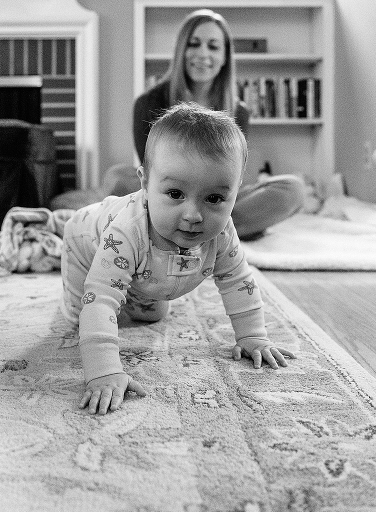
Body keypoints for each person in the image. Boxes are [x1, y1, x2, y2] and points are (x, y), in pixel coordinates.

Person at [60, 103, 296, 416]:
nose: (193, 215)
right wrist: (103, 372)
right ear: (145, 182)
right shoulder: (126, 232)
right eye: (175, 194)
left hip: (148, 271)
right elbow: (100, 300)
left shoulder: (222, 232)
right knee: (82, 318)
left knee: (151, 314)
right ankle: (58, 222)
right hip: (85, 244)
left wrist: (252, 336)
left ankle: (134, 283)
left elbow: (238, 281)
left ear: (237, 191)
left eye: (214, 198)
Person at [131, 8, 305, 240]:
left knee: (293, 189)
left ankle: (202, 230)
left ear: (224, 57)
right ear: (181, 51)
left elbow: (232, 177)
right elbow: (151, 172)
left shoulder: (239, 111)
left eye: (213, 47)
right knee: (118, 179)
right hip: (170, 197)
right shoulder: (149, 103)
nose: (203, 54)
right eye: (194, 44)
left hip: (215, 201)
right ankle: (225, 231)